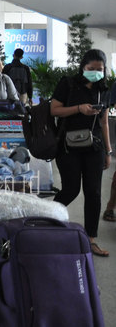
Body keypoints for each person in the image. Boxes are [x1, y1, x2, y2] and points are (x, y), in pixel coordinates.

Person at [51, 48, 112, 257]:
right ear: (83, 67)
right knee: (71, 189)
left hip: (94, 146)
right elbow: (54, 109)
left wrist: (108, 151)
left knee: (94, 193)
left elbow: (104, 122)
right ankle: (45, 222)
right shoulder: (68, 83)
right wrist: (79, 108)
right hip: (69, 146)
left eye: (100, 69)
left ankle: (90, 239)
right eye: (91, 69)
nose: (95, 72)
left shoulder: (103, 89)